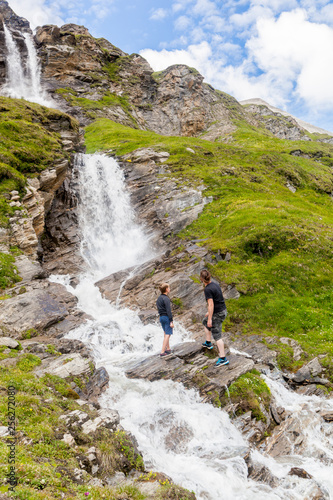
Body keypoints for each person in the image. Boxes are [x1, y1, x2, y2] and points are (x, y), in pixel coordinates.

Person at [200, 269, 229, 367]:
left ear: (201, 279)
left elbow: (211, 304)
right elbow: (218, 299)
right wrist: (208, 313)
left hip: (218, 313)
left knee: (217, 336)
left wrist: (210, 318)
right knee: (204, 322)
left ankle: (223, 358)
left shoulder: (207, 289)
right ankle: (208, 342)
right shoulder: (215, 284)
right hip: (223, 310)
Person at [156, 283, 174, 357]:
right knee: (168, 334)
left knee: (165, 332)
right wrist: (171, 321)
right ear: (166, 289)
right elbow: (168, 310)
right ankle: (162, 351)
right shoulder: (166, 298)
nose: (169, 289)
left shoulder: (159, 298)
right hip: (166, 317)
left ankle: (168, 348)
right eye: (169, 288)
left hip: (161, 317)